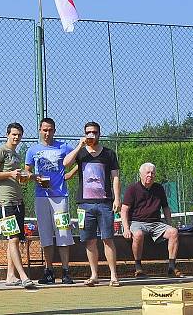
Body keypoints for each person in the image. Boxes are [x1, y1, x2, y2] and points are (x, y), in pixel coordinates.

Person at [64, 121, 122, 287]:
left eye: (95, 132)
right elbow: (65, 164)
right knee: (89, 240)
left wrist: (117, 198)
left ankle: (113, 275)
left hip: (105, 203)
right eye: (88, 132)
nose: (92, 135)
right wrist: (79, 145)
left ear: (99, 134)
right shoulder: (80, 153)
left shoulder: (109, 154)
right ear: (84, 133)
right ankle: (94, 275)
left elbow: (115, 177)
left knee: (108, 239)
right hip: (84, 205)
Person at [24, 118, 75, 285]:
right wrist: (34, 177)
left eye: (50, 130)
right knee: (45, 234)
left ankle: (66, 272)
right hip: (41, 196)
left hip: (60, 197)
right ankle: (49, 271)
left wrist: (70, 174)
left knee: (63, 233)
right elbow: (27, 171)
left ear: (54, 131)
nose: (47, 133)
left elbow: (79, 159)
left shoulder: (64, 147)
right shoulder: (32, 150)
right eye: (44, 130)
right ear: (39, 130)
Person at [0, 122, 36, 289]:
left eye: (19, 135)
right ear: (7, 135)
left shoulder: (16, 155)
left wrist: (33, 177)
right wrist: (10, 173)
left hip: (18, 201)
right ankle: (23, 276)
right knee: (13, 238)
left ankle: (10, 276)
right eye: (14, 134)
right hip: (5, 202)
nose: (16, 137)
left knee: (15, 240)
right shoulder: (1, 151)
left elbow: (18, 175)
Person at [121, 163, 182, 278]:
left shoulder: (159, 188)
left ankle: (171, 267)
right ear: (141, 175)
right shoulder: (132, 189)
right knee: (138, 234)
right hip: (137, 222)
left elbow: (166, 208)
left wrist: (169, 224)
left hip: (156, 223)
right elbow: (124, 210)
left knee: (173, 232)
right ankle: (138, 268)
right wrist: (126, 228)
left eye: (153, 173)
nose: (150, 175)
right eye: (147, 173)